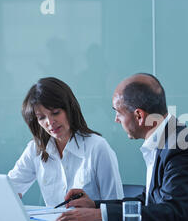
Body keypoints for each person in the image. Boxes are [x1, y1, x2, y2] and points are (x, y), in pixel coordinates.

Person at [57, 73, 188, 221]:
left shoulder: (182, 147)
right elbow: (151, 201)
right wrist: (95, 205)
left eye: (118, 112)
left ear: (139, 116)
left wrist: (99, 216)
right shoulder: (169, 140)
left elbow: (170, 212)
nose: (116, 119)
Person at [8, 77, 124, 207]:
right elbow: (9, 188)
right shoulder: (35, 149)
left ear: (69, 109)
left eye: (55, 113)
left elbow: (116, 209)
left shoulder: (97, 147)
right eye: (41, 118)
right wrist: (8, 196)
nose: (50, 122)